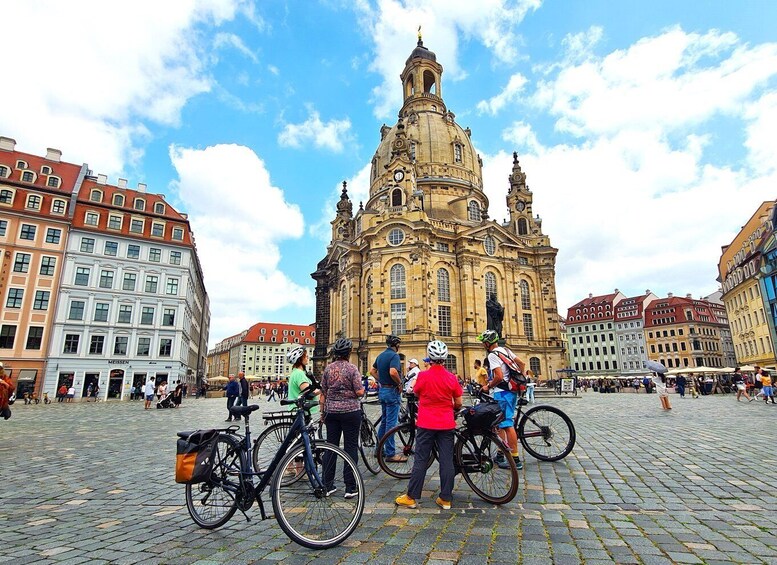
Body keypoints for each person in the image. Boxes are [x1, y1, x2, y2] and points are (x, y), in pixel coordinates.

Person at [395, 340, 463, 510]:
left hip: (426, 423)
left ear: (429, 358)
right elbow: (459, 403)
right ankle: (445, 498)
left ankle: (411, 497)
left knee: (421, 460)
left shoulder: (423, 376)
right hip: (447, 424)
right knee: (447, 460)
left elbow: (416, 392)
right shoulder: (452, 378)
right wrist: (450, 408)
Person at [320, 338, 365, 498]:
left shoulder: (328, 369)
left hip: (331, 412)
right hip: (350, 412)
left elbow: (323, 393)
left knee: (330, 447)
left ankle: (327, 484)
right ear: (349, 353)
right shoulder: (352, 369)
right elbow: (359, 392)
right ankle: (350, 487)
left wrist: (322, 413)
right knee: (350, 448)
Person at [478, 329, 524, 470]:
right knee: (501, 424)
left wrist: (488, 386)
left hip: (502, 392)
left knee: (507, 424)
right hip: (511, 391)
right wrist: (518, 379)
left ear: (487, 343)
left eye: (483, 342)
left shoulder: (492, 355)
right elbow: (521, 364)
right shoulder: (506, 350)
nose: (483, 345)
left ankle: (515, 459)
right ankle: (500, 454)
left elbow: (498, 376)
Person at [371, 335, 405, 462]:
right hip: (392, 391)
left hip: (383, 390)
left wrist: (381, 380)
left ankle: (379, 449)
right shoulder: (394, 356)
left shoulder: (381, 355)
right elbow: (393, 372)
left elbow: (372, 371)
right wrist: (399, 383)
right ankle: (391, 453)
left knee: (384, 421)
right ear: (396, 345)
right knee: (391, 423)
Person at [286, 346, 318, 412]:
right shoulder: (299, 374)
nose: (308, 358)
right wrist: (323, 389)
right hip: (301, 410)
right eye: (306, 356)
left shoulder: (296, 372)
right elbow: (309, 393)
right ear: (300, 359)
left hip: (298, 409)